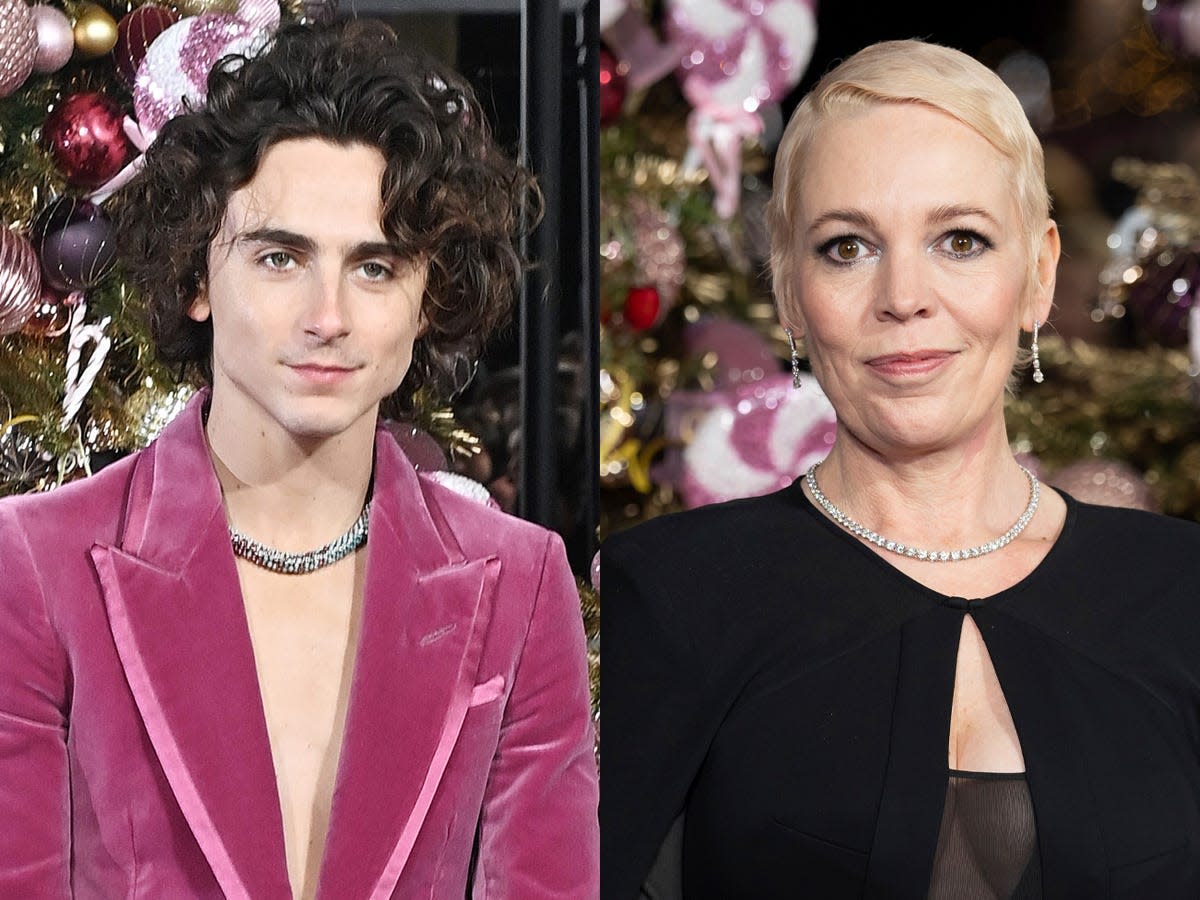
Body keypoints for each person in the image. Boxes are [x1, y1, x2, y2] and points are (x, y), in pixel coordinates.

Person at [0, 19, 598, 899]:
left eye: (376, 266)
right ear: (200, 275)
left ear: (430, 296)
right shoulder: (38, 564)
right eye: (281, 258)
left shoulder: (520, 581)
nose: (328, 315)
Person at [600, 38, 1200, 899]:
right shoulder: (670, 597)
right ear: (787, 293)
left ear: (1038, 275)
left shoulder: (1180, 593)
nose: (904, 297)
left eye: (961, 240)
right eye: (848, 247)